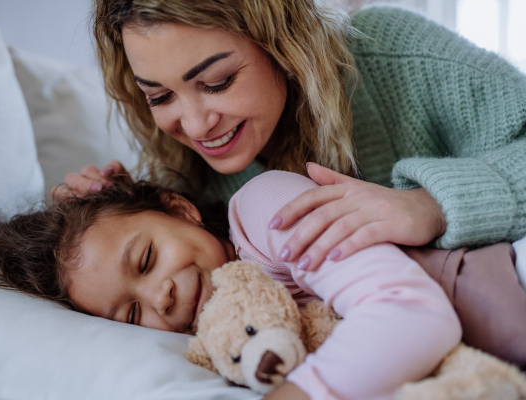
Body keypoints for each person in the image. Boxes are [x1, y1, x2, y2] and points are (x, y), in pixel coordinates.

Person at [57, 0, 526, 275]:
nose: (196, 126)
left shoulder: (392, 50)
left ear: (284, 45)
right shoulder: (185, 165)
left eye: (217, 82)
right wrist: (105, 216)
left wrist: (430, 205)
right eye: (160, 97)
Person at [0, 171, 461, 400]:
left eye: (146, 259)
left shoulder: (262, 211)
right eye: (131, 315)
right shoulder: (224, 345)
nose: (159, 299)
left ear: (181, 209)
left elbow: (411, 312)